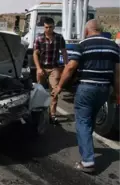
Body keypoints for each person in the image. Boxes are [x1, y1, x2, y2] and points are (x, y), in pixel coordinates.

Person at [53, 19, 120, 173]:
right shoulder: (114, 47)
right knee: (90, 121)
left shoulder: (83, 45)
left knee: (83, 122)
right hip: (104, 90)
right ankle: (87, 147)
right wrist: (117, 94)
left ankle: (88, 161)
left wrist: (59, 87)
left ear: (87, 30)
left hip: (87, 88)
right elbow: (118, 74)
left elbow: (70, 68)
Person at [33, 17, 69, 125]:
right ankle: (39, 114)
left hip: (54, 67)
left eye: (50, 27)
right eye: (46, 27)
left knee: (54, 91)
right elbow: (35, 53)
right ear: (44, 27)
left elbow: (63, 51)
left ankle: (52, 115)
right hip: (42, 68)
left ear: (54, 27)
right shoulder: (39, 38)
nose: (48, 29)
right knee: (40, 91)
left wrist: (67, 64)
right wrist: (38, 68)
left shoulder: (59, 37)